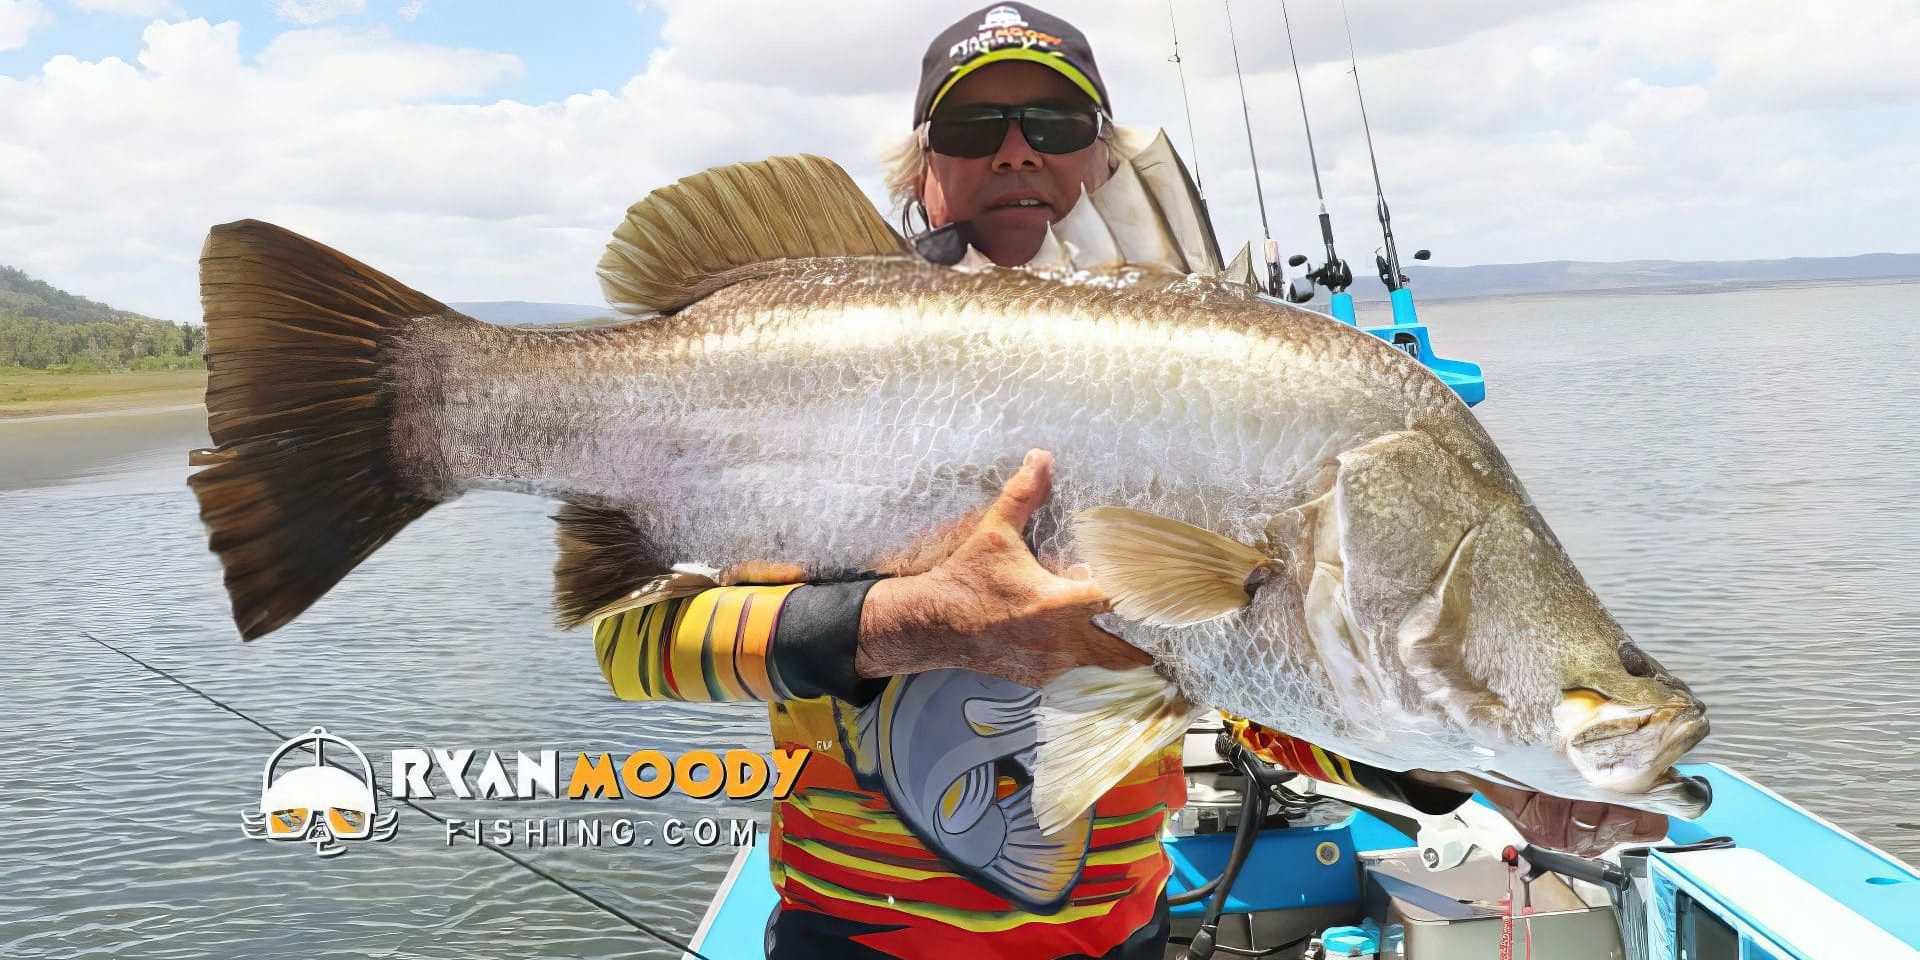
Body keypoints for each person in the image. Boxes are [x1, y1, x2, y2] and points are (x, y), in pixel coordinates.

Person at [592, 5, 1663, 958]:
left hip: (1119, 938)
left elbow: (1249, 697)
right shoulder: (794, 358)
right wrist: (922, 621)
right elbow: (635, 648)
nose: (1018, 150)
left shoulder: (1209, 377)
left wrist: (1482, 773)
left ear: (1103, 159)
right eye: (973, 127)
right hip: (854, 941)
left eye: (1056, 125)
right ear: (918, 167)